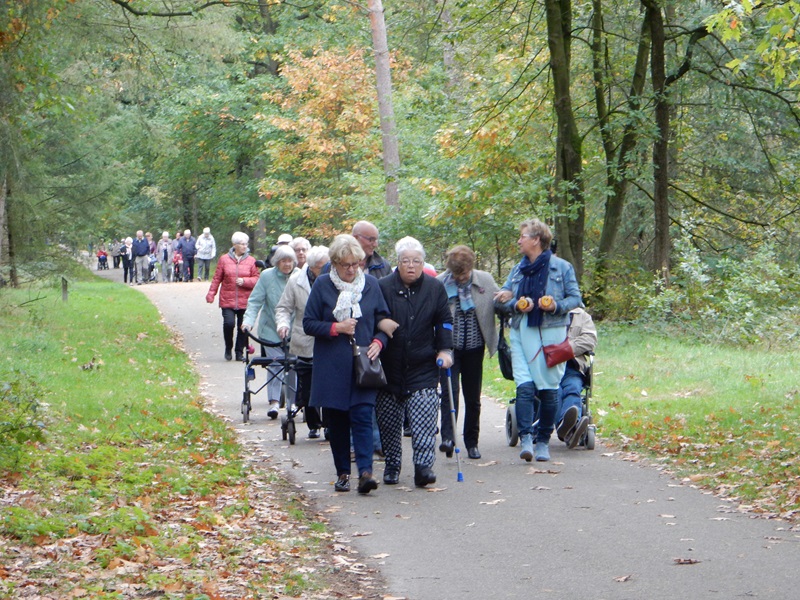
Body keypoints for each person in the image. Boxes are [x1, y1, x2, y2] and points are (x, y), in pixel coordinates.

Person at [303, 234, 390, 494]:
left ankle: (366, 473)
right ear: (335, 264)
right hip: (332, 365)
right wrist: (335, 327)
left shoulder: (371, 285)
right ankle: (343, 473)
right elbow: (308, 323)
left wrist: (379, 341)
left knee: (363, 416)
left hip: (364, 364)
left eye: (356, 264)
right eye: (345, 265)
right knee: (338, 421)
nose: (351, 269)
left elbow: (384, 320)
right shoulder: (322, 285)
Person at [494, 219, 582, 462]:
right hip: (522, 332)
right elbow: (499, 301)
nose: (519, 240)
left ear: (536, 240)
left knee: (549, 389)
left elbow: (576, 298)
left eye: (523, 236)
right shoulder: (517, 270)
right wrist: (516, 304)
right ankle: (526, 438)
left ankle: (543, 441)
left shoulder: (562, 268)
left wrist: (555, 306)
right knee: (524, 386)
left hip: (551, 334)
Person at [377, 236, 454, 488]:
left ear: (423, 264)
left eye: (416, 261)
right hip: (389, 366)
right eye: (405, 261)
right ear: (397, 263)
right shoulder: (383, 286)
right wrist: (380, 323)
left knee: (423, 417)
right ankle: (392, 465)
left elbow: (444, 321)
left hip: (423, 364)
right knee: (389, 422)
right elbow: (372, 315)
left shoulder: (434, 288)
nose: (411, 265)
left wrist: (444, 350)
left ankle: (423, 467)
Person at [436, 245, 499, 460]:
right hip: (449, 349)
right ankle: (448, 439)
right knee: (449, 395)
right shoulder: (439, 283)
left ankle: (472, 442)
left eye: (463, 273)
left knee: (473, 398)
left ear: (471, 267)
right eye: (456, 274)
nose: (461, 278)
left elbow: (498, 303)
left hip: (474, 348)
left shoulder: (485, 280)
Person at [275, 245, 329, 438]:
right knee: (308, 385)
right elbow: (283, 307)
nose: (327, 268)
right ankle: (313, 423)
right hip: (304, 340)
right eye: (323, 266)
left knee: (330, 384)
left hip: (330, 339)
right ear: (312, 266)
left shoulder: (334, 279)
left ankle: (330, 424)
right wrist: (283, 325)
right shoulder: (296, 280)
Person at [242, 245, 298, 417]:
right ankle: (274, 403)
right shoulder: (266, 276)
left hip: (294, 330)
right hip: (270, 330)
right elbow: (255, 302)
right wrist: (247, 322)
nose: (287, 264)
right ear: (276, 262)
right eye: (283, 261)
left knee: (292, 365)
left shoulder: (299, 276)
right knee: (275, 364)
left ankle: (292, 402)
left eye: (290, 261)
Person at [207, 232, 260, 361]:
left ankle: (239, 352)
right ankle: (228, 347)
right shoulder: (224, 259)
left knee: (244, 327)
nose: (244, 246)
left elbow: (257, 279)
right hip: (227, 299)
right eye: (242, 244)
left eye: (246, 244)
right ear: (234, 245)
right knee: (229, 324)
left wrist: (245, 281)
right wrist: (211, 293)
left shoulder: (251, 261)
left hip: (245, 300)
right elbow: (217, 278)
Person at [554, 306, 597, 448]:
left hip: (571, 365)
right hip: (549, 365)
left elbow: (590, 340)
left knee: (572, 388)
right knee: (555, 391)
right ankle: (569, 429)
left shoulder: (582, 316)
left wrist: (565, 349)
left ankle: (569, 427)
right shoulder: (545, 311)